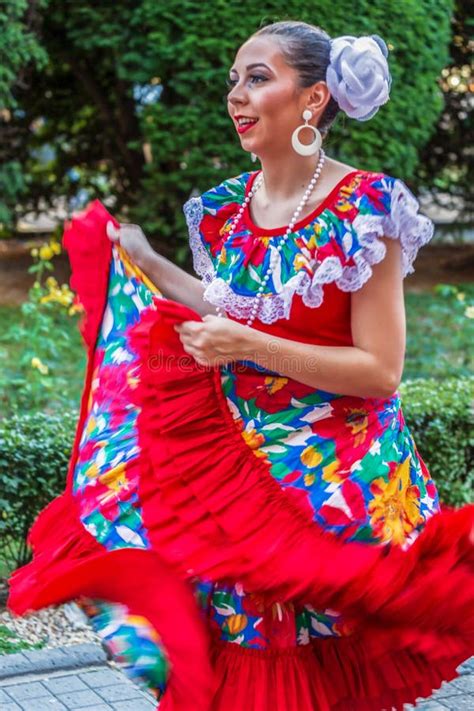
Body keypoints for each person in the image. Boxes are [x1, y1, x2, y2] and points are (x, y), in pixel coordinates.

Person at [7, 20, 474, 711]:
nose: (236, 94)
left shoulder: (366, 210)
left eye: (258, 77)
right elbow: (229, 304)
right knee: (251, 677)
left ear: (313, 100)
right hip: (234, 486)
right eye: (234, 79)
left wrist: (247, 346)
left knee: (322, 677)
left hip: (330, 493)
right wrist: (150, 261)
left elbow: (380, 371)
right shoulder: (227, 208)